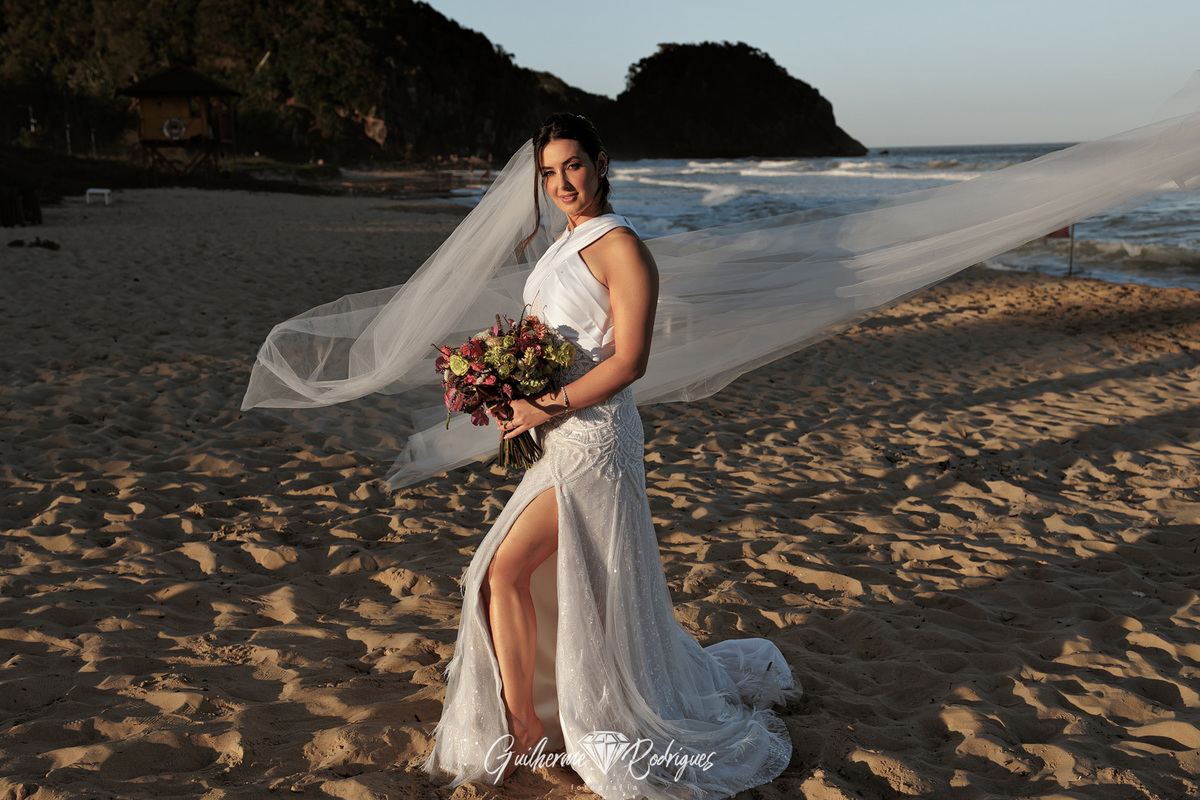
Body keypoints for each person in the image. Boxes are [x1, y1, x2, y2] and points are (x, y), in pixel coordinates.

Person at [421, 113, 798, 799]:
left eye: (572, 165)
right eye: (548, 172)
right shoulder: (565, 244)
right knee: (543, 580)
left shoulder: (621, 245)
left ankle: (527, 730)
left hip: (597, 441)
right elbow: (552, 341)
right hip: (559, 435)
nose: (561, 182)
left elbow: (630, 361)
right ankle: (540, 719)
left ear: (600, 163)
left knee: (498, 575)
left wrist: (545, 406)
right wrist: (509, 391)